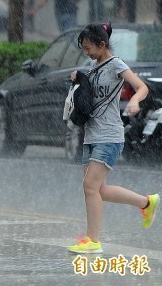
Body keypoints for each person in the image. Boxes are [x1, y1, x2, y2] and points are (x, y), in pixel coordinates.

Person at [67, 23, 159, 254]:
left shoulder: (116, 64)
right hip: (91, 134)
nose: (86, 53)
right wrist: (78, 77)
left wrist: (135, 101)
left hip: (109, 135)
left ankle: (93, 240)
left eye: (89, 48)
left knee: (90, 186)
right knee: (99, 190)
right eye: (83, 49)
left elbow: (141, 87)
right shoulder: (93, 66)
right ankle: (147, 203)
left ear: (102, 44)